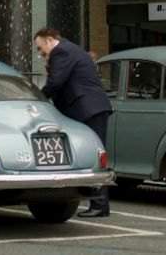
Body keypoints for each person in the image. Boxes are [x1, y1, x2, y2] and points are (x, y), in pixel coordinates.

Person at [34, 28, 114, 218]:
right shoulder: (71, 49)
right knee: (95, 154)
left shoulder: (61, 52)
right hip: (92, 108)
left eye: (40, 48)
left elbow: (56, 82)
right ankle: (99, 203)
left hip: (87, 109)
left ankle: (100, 204)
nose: (40, 53)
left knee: (95, 156)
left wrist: (38, 98)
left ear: (50, 40)